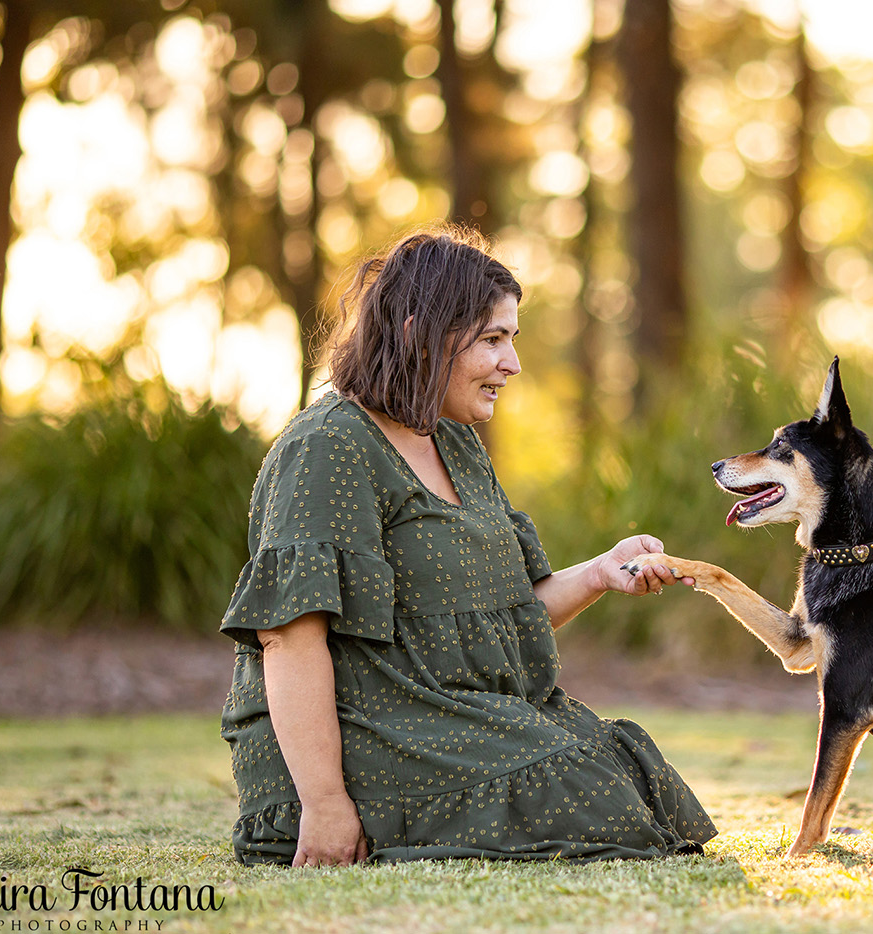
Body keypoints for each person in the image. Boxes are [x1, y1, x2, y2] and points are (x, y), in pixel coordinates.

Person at [219, 227, 716, 866]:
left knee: (625, 769)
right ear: (417, 333)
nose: (512, 363)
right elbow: (290, 638)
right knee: (584, 787)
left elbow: (511, 611)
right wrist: (325, 802)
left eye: (512, 338)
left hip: (458, 715)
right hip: (364, 736)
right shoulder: (328, 449)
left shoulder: (453, 441)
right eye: (492, 340)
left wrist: (599, 573)